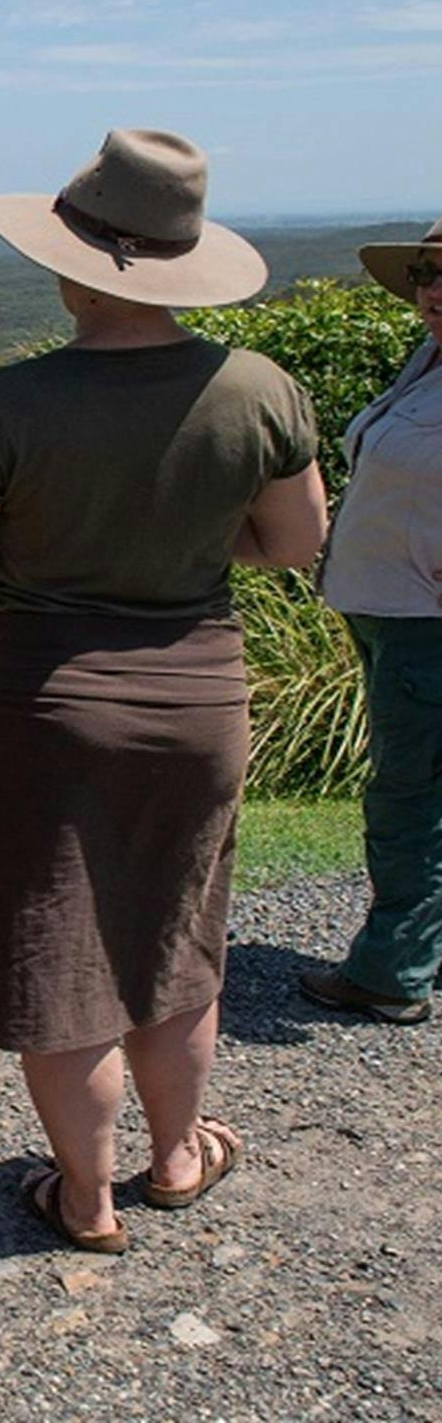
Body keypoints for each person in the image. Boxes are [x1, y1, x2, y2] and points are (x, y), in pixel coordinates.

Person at [0, 130, 328, 1253]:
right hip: (198, 697)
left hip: (39, 703)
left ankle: (84, 1198)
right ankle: (177, 1157)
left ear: (71, 264)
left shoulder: (2, 406)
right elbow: (294, 545)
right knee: (176, 935)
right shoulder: (258, 389)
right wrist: (189, 548)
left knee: (54, 947)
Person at [299, 216, 442, 1026]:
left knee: (408, 795)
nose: (433, 289)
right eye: (427, 271)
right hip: (391, 606)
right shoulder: (427, 360)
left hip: (423, 618)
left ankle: (392, 972)